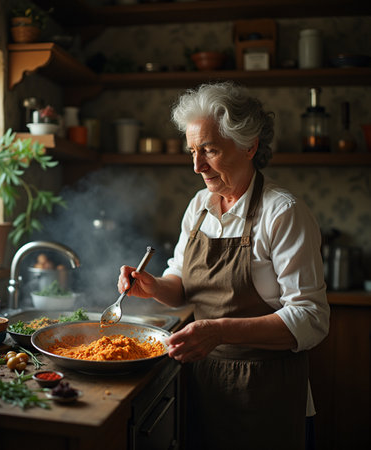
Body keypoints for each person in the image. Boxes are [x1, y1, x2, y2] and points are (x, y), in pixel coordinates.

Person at [117, 82, 330, 450]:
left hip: (265, 390)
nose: (197, 166)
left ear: (250, 146)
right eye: (193, 151)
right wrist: (152, 286)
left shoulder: (283, 213)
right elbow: (181, 281)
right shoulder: (200, 204)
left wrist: (218, 331)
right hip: (202, 381)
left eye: (210, 150)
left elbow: (311, 318)